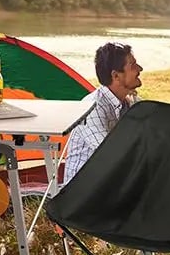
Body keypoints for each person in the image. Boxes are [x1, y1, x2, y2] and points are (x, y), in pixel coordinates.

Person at [59, 42, 142, 184]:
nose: (140, 69)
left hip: (107, 183)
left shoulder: (130, 102)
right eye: (133, 65)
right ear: (116, 76)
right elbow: (109, 155)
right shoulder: (92, 107)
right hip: (83, 193)